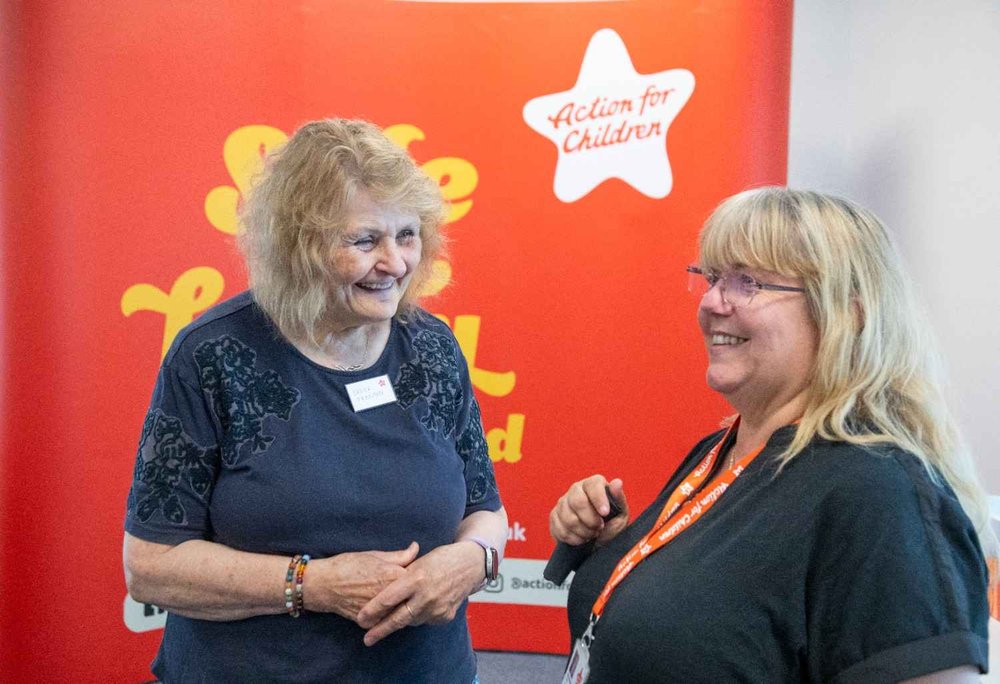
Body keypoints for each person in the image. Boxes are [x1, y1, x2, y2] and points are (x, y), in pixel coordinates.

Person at [550, 187, 993, 683]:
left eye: (751, 282)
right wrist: (624, 549)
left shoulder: (879, 492)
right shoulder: (726, 450)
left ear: (848, 314)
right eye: (714, 277)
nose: (714, 302)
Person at [123, 118, 507, 683]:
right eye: (364, 240)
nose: (396, 263)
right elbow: (151, 568)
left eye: (406, 234)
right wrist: (312, 585)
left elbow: (486, 509)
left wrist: (472, 561)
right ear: (296, 247)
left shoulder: (431, 346)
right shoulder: (213, 356)